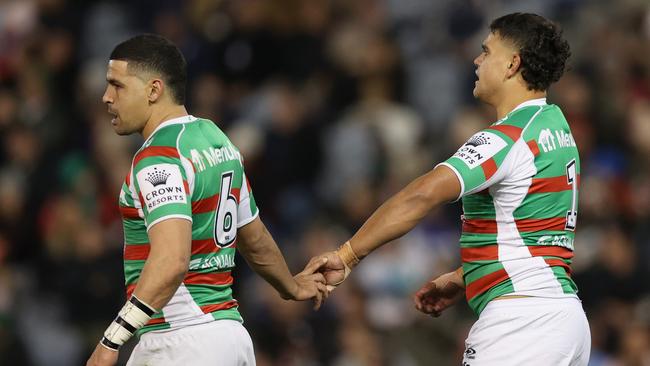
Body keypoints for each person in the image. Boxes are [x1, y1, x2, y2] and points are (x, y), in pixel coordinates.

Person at [316, 13, 591, 365]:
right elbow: (534, 233)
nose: (477, 60)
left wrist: (347, 255)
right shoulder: (557, 128)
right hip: (564, 319)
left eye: (486, 51)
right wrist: (466, 277)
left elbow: (421, 195)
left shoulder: (506, 138)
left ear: (512, 63)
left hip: (521, 323)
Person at [86, 34, 329, 366]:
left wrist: (112, 339)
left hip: (180, 341)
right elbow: (253, 237)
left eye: (117, 85)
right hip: (230, 338)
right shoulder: (216, 139)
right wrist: (291, 287)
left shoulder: (159, 159)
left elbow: (172, 260)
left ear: (153, 90)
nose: (106, 97)